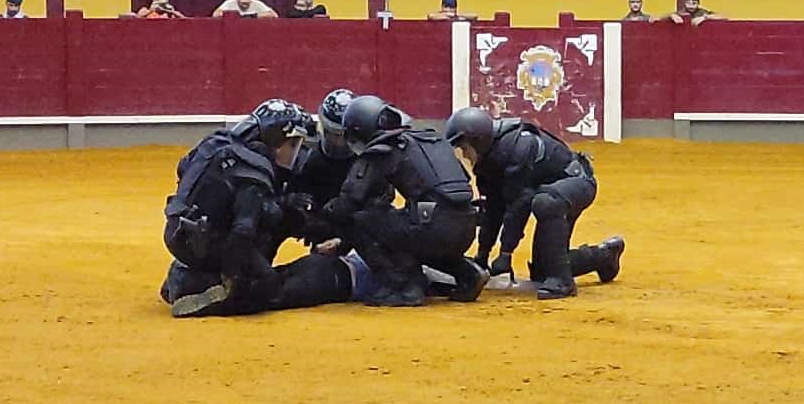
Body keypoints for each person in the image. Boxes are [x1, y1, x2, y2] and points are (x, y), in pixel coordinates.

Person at [159, 99, 327, 317]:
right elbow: (243, 230)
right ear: (276, 141)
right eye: (292, 144)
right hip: (206, 242)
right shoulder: (254, 172)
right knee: (268, 288)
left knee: (269, 212)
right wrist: (236, 279)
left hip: (179, 229)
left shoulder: (217, 143)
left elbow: (183, 169)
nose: (295, 151)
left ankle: (185, 273)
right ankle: (191, 284)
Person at [316, 95, 489, 307]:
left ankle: (401, 287)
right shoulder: (429, 139)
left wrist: (319, 217)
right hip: (466, 227)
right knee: (411, 226)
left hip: (433, 229)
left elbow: (349, 202)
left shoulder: (381, 151)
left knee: (361, 220)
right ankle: (467, 272)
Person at [445, 108, 625, 300]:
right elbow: (493, 208)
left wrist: (506, 253)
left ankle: (563, 282)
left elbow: (518, 206)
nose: (464, 154)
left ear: (477, 141)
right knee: (543, 271)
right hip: (554, 191)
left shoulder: (518, 147)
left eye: (464, 148)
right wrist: (483, 254)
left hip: (577, 183)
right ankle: (603, 257)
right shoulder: (489, 159)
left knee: (545, 202)